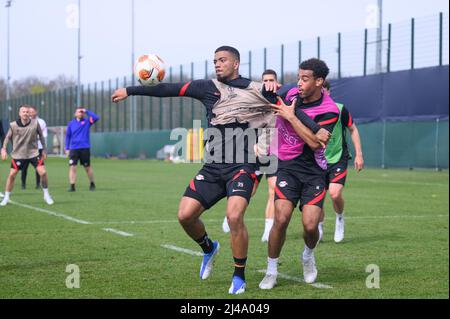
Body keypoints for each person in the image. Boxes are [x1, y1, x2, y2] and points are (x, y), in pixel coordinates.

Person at [111, 46, 329, 294]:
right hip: (214, 165)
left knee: (234, 216)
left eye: (222, 60)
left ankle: (239, 276)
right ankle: (208, 248)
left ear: (236, 63)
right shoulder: (206, 87)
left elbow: (290, 109)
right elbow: (168, 89)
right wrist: (130, 90)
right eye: (215, 60)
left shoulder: (259, 89)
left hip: (244, 165)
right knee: (185, 216)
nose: (217, 64)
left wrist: (314, 126)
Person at [259, 58, 339, 290]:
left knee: (311, 225)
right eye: (298, 78)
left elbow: (315, 144)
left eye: (305, 79)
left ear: (319, 82)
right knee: (281, 218)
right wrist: (269, 89)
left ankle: (307, 256)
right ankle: (271, 270)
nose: (299, 83)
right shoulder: (291, 94)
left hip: (314, 172)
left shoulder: (330, 110)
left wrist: (291, 116)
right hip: (288, 167)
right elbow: (269, 97)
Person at [222, 69, 279, 243]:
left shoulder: (282, 99)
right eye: (265, 80)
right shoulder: (254, 99)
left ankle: (268, 230)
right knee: (250, 191)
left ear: (276, 82)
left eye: (271, 80)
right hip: (255, 153)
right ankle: (229, 216)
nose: (268, 83)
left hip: (275, 153)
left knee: (273, 191)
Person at [317, 80, 364, 243]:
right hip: (317, 159)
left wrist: (359, 154)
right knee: (318, 198)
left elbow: (353, 129)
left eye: (324, 90)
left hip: (338, 157)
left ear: (328, 92)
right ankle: (320, 227)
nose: (321, 93)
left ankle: (339, 218)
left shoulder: (340, 109)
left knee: (335, 193)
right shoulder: (310, 110)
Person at [1, 105, 54, 206]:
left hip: (34, 153)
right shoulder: (13, 125)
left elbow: (41, 136)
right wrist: (3, 148)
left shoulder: (35, 123)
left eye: (27, 112)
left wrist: (44, 149)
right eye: (23, 112)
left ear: (29, 113)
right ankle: (6, 197)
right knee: (12, 175)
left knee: (43, 173)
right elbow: (7, 137)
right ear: (19, 113)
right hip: (19, 154)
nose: (25, 113)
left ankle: (46, 194)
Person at [65, 107, 99, 192]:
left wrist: (86, 111)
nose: (80, 113)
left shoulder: (87, 122)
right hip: (74, 149)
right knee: (72, 167)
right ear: (75, 113)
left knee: (87, 167)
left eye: (81, 112)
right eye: (78, 112)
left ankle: (92, 183)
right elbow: (68, 136)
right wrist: (66, 148)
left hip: (85, 148)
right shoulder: (71, 124)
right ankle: (72, 186)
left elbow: (96, 117)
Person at [20, 106, 47, 190]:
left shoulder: (41, 122)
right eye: (29, 112)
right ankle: (23, 184)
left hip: (38, 148)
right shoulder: (25, 121)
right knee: (24, 167)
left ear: (36, 112)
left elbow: (44, 135)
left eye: (32, 111)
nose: (31, 113)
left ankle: (38, 184)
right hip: (26, 149)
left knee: (38, 167)